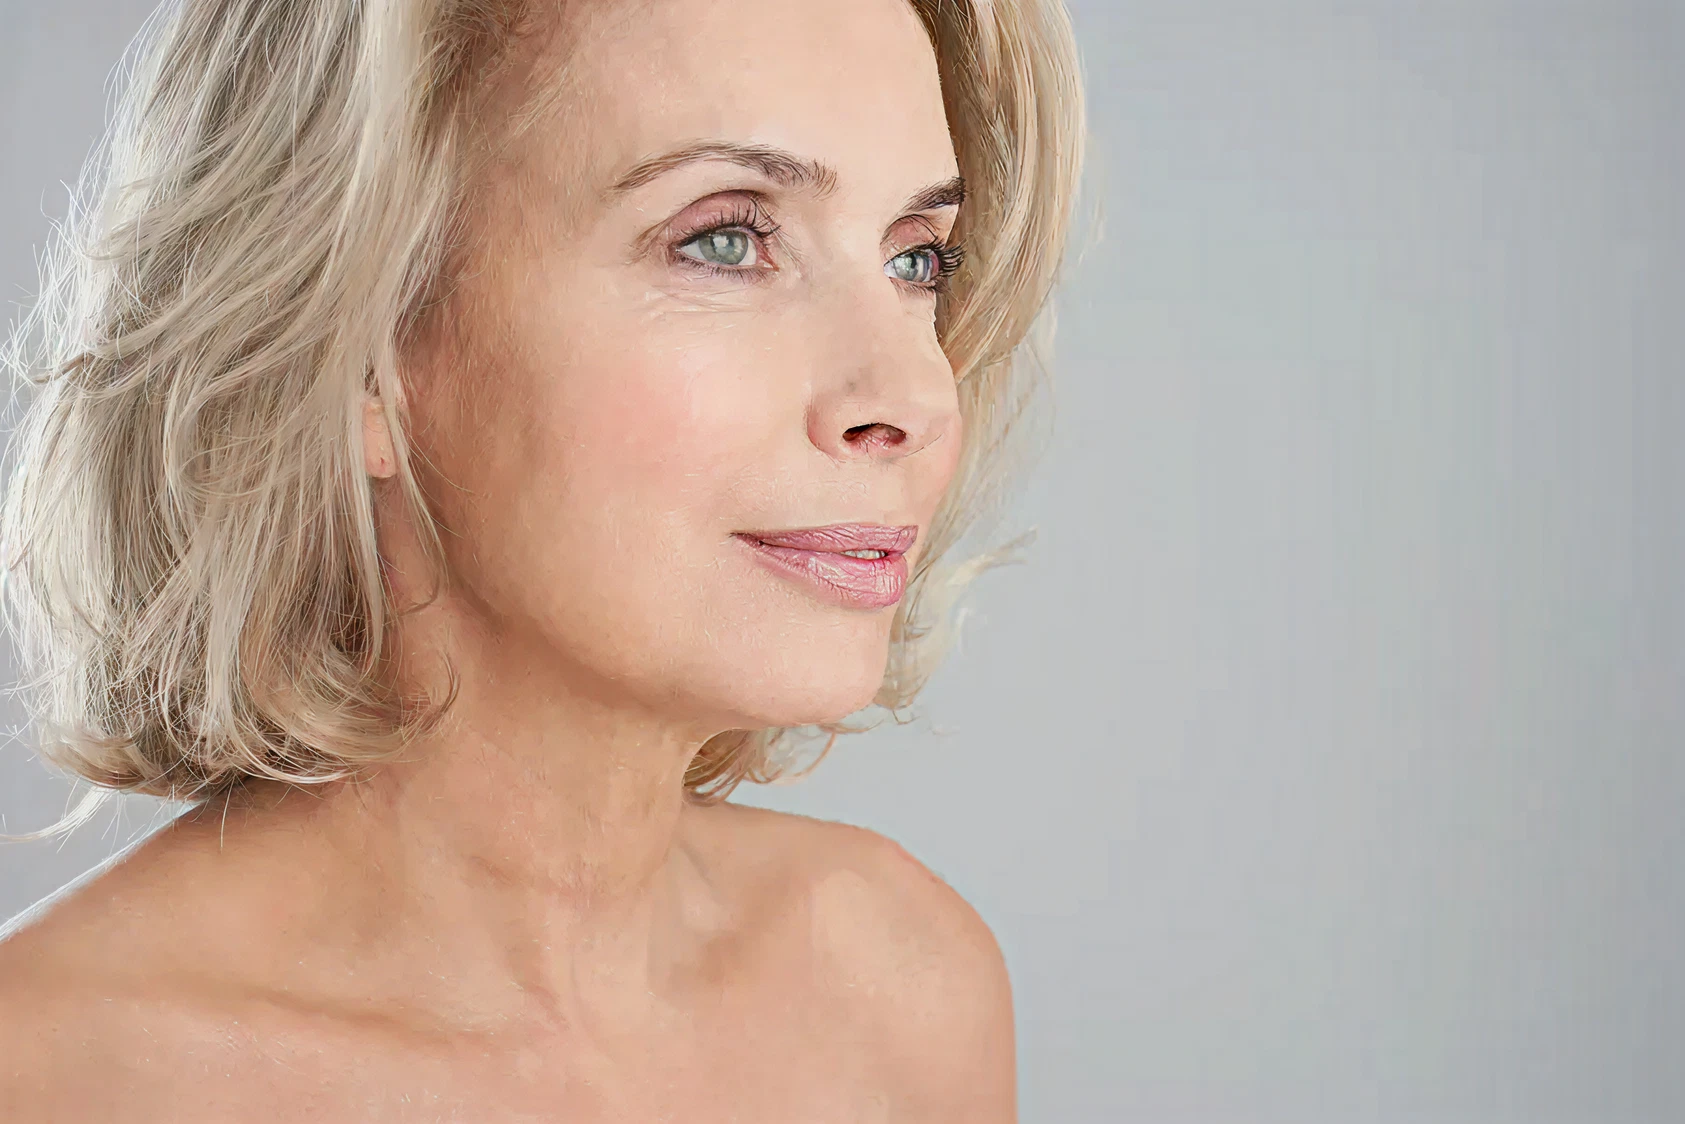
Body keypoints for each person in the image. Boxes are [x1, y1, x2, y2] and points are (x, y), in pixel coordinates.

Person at [0, 0, 1084, 1117]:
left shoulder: (896, 989)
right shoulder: (56, 1073)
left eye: (916, 258)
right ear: (358, 347)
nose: (911, 397)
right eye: (724, 240)